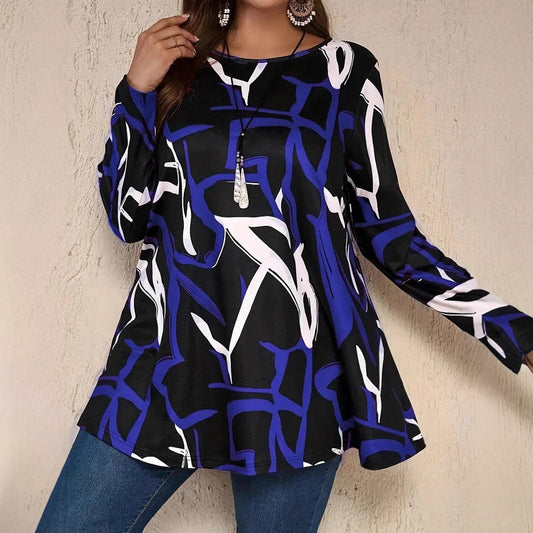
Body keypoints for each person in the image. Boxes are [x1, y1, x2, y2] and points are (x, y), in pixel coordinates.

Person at [36, 0, 533, 531]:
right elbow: (126, 218)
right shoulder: (175, 68)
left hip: (295, 377)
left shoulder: (345, 73)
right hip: (162, 358)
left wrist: (517, 333)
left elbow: (393, 238)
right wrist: (136, 90)